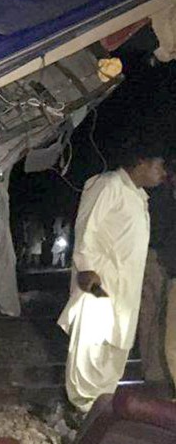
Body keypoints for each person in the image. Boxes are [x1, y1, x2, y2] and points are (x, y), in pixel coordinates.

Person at [57, 146, 168, 412]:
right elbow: (87, 226)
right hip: (100, 283)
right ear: (141, 162)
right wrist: (86, 268)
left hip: (126, 288)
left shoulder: (139, 196)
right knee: (92, 347)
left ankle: (100, 408)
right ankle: (81, 407)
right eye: (159, 166)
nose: (163, 173)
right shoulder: (108, 185)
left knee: (117, 347)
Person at [138, 162, 176, 392]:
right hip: (157, 256)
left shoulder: (158, 192)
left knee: (157, 315)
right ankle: (155, 373)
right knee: (153, 314)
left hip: (161, 256)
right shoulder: (160, 193)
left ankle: (157, 372)